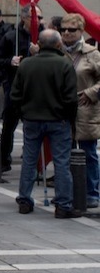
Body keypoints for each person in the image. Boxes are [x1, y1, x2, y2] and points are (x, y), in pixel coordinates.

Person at [11, 29, 81, 218]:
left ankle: (25, 200)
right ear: (59, 45)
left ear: (39, 45)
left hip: (32, 119)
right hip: (58, 120)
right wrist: (69, 118)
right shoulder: (65, 65)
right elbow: (71, 98)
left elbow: (15, 95)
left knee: (29, 161)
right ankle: (63, 204)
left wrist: (23, 113)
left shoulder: (26, 65)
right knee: (61, 163)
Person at [59, 13, 100, 208]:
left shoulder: (92, 53)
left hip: (86, 109)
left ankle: (92, 192)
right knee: (65, 153)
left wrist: (91, 93)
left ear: (81, 31)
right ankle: (70, 191)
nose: (66, 33)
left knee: (88, 153)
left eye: (71, 29)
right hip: (62, 110)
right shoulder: (56, 51)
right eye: (63, 29)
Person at [0, 4, 42, 172]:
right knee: (8, 127)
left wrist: (39, 53)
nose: (38, 21)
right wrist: (10, 61)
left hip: (38, 91)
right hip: (15, 88)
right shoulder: (10, 37)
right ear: (24, 18)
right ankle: (3, 161)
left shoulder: (46, 37)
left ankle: (36, 163)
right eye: (34, 17)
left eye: (40, 18)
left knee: (37, 128)